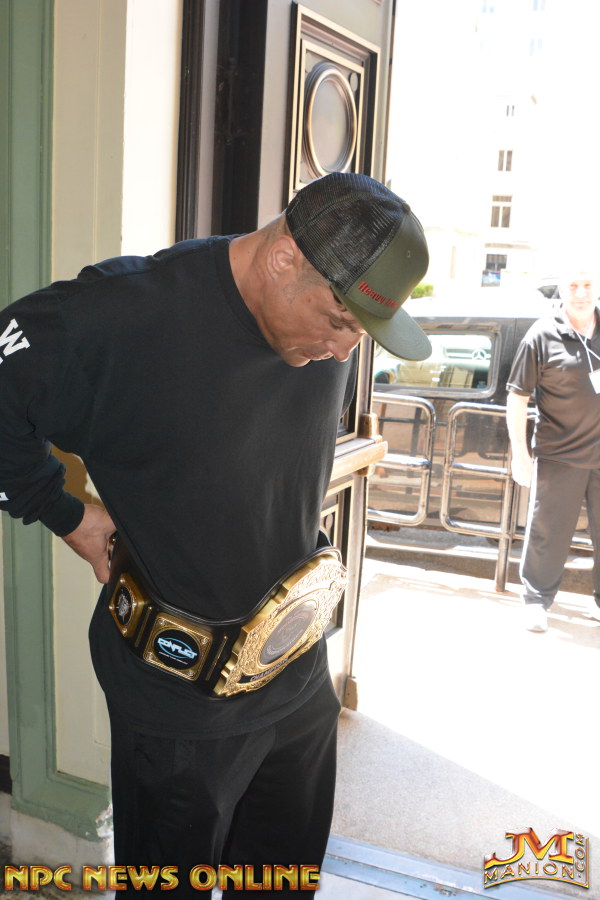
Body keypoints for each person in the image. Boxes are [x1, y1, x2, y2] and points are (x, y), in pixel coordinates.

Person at [0, 173, 429, 895]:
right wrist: (66, 513)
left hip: (299, 676)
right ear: (284, 258)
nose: (342, 351)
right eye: (337, 321)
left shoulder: (329, 327)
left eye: (360, 333)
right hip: (180, 701)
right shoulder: (122, 316)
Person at [506, 268, 600, 633]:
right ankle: (536, 601)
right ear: (562, 290)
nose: (581, 292)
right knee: (548, 534)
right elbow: (517, 396)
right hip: (559, 455)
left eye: (588, 285)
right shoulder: (542, 334)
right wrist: (520, 454)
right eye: (573, 285)